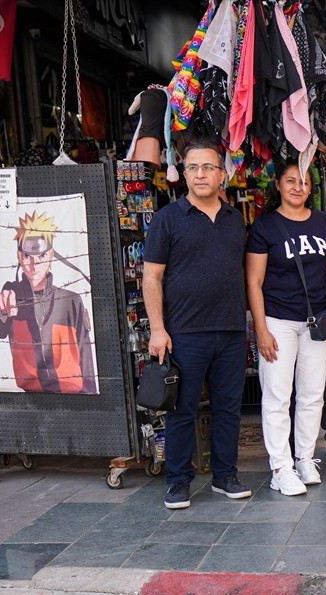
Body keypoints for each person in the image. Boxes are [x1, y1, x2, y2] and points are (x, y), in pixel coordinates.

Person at [143, 135, 251, 509]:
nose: (200, 174)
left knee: (228, 408)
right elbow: (152, 277)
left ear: (223, 174)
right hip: (185, 332)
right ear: (183, 173)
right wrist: (158, 329)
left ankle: (225, 475)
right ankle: (177, 481)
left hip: (232, 330)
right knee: (181, 409)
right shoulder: (167, 219)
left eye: (208, 167)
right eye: (193, 167)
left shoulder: (236, 220)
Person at [245, 158, 326, 496]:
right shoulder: (265, 227)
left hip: (317, 320)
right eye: (290, 181)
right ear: (279, 186)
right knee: (277, 395)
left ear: (311, 188)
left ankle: (304, 458)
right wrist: (261, 329)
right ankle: (280, 466)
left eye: (304, 182)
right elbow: (253, 281)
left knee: (313, 394)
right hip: (278, 320)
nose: (298, 187)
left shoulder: (324, 223)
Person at [0, 210, 97, 395]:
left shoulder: (70, 300)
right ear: (19, 257)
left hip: (75, 396)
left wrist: (91, 394)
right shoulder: (12, 295)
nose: (34, 265)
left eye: (40, 256)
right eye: (27, 257)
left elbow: (85, 354)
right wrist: (2, 313)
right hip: (32, 398)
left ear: (51, 255)